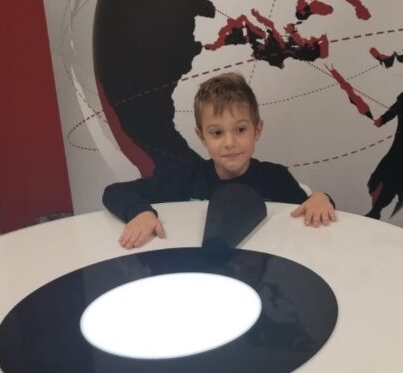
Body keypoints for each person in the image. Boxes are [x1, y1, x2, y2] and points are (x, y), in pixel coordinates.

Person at [103, 73, 336, 249]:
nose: (229, 142)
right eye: (217, 133)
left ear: (257, 130)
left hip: (261, 267)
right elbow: (115, 192)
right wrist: (140, 213)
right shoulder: (185, 176)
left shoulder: (276, 178)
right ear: (201, 136)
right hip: (204, 270)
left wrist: (321, 198)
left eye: (240, 130)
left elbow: (309, 211)